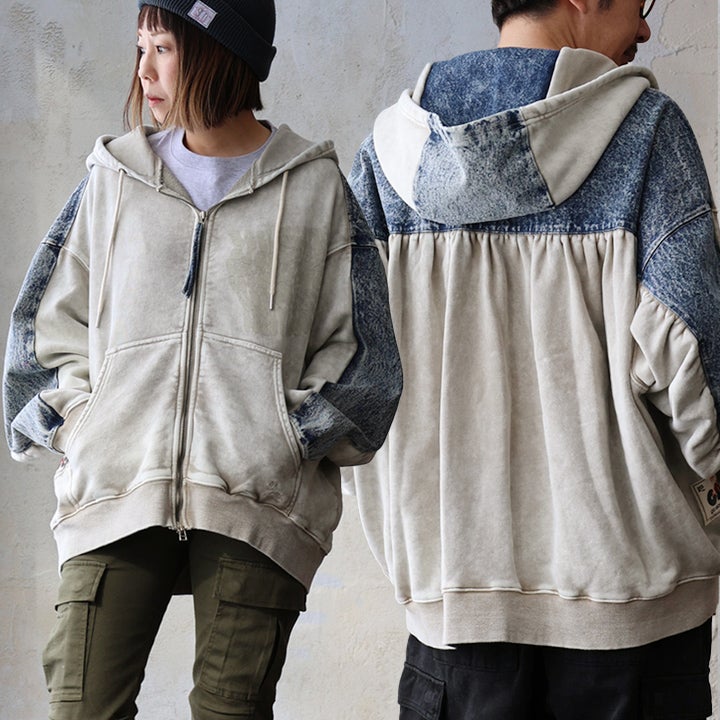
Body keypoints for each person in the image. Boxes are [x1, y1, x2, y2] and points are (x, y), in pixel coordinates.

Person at [3, 1, 402, 718]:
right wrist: (84, 424)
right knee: (80, 706)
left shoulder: (314, 188)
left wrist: (287, 438)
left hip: (256, 500)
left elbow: (363, 356)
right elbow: (42, 325)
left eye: (162, 48)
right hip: (118, 486)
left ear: (220, 52)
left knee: (228, 712)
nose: (143, 71)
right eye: (140, 48)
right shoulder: (113, 177)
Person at [346, 0, 720, 717]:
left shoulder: (387, 160)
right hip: (629, 611)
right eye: (638, 4)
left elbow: (350, 374)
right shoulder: (646, 134)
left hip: (456, 604)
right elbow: (696, 352)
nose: (644, 30)